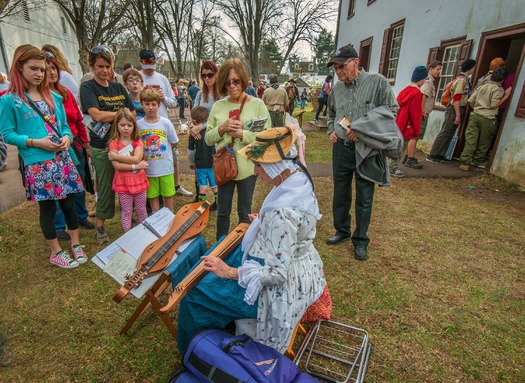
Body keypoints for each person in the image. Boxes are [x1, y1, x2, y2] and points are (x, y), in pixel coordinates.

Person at [177, 126, 326, 354]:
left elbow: (277, 275)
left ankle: (196, 353)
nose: (255, 171)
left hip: (280, 293)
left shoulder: (282, 214)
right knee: (225, 256)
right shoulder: (298, 178)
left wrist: (230, 272)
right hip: (304, 270)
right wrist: (264, 224)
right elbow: (296, 227)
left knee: (196, 296)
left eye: (259, 165)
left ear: (275, 166)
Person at [0, 44, 86, 269]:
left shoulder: (54, 97)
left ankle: (76, 244)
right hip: (37, 163)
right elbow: (7, 133)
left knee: (69, 203)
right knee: (48, 208)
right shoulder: (10, 101)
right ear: (19, 67)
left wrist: (67, 138)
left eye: (42, 69)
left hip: (62, 160)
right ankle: (55, 250)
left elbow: (64, 126)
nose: (39, 74)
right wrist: (34, 142)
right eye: (34, 69)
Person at [325, 43, 401, 261]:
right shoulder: (337, 89)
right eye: (335, 67)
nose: (338, 71)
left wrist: (364, 131)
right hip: (341, 149)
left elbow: (391, 111)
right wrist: (332, 130)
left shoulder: (377, 82)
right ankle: (342, 231)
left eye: (342, 66)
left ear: (355, 62)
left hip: (366, 149)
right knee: (340, 193)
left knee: (364, 196)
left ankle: (360, 240)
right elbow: (332, 113)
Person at [204, 58, 271, 240]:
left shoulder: (257, 105)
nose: (232, 86)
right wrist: (222, 128)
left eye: (236, 81)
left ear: (243, 79)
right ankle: (220, 248)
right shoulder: (218, 106)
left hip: (248, 168)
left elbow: (266, 137)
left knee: (244, 212)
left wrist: (243, 134)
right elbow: (208, 139)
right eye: (227, 83)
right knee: (223, 212)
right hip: (224, 167)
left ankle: (244, 248)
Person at [79, 45, 136, 243]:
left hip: (124, 144)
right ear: (92, 66)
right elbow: (96, 114)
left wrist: (116, 116)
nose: (104, 71)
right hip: (102, 145)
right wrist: (121, 115)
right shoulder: (88, 88)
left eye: (108, 66)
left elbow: (134, 113)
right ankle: (100, 226)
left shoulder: (118, 87)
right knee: (105, 187)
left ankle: (128, 219)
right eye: (100, 66)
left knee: (128, 183)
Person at [45, 52, 95, 241]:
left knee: (78, 183)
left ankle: (81, 216)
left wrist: (85, 144)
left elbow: (79, 121)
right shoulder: (38, 97)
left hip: (75, 144)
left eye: (53, 68)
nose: (51, 72)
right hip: (53, 148)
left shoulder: (65, 94)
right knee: (58, 187)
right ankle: (59, 225)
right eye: (46, 68)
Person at [139, 49, 192, 197]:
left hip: (162, 124)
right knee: (146, 157)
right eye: (146, 68)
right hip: (143, 125)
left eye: (152, 67)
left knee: (171, 156)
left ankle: (176, 185)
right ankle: (146, 191)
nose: (149, 71)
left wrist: (163, 98)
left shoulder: (162, 78)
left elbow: (174, 103)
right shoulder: (137, 77)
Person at [459, 68, 511, 171]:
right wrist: (506, 96)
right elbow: (494, 105)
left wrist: (477, 108)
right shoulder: (498, 89)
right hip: (488, 117)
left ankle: (465, 162)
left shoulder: (481, 87)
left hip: (475, 115)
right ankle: (477, 161)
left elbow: (470, 100)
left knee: (470, 139)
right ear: (502, 79)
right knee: (484, 141)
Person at [426, 58, 476, 163]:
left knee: (451, 132)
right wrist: (458, 114)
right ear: (471, 67)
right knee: (446, 130)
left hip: (458, 107)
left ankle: (441, 153)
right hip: (454, 108)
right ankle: (433, 154)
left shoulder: (464, 79)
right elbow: (456, 98)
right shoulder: (461, 80)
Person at [137, 87, 179, 212]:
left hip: (165, 168)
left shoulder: (165, 123)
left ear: (158, 105)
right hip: (149, 169)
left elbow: (174, 141)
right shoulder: (139, 125)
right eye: (147, 104)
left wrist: (163, 151)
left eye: (153, 104)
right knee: (153, 195)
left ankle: (169, 217)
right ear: (142, 104)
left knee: (168, 194)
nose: (150, 107)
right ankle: (156, 218)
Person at [107, 108, 149, 231]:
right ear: (117, 125)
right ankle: (127, 234)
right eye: (122, 125)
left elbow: (137, 158)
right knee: (126, 211)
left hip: (138, 181)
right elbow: (117, 166)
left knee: (141, 209)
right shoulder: (114, 143)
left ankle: (145, 232)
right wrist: (136, 166)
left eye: (129, 125)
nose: (126, 128)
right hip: (123, 183)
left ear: (133, 126)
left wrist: (115, 156)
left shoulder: (137, 142)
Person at [389, 65, 428, 177]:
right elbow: (415, 114)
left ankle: (387, 166)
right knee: (400, 148)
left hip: (397, 124)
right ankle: (392, 168)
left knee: (393, 147)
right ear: (421, 79)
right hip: (406, 126)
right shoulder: (416, 94)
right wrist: (416, 130)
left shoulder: (404, 91)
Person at [191, 60, 220, 199]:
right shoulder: (199, 94)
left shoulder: (221, 95)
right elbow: (193, 113)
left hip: (215, 134)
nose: (207, 78)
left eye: (210, 75)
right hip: (199, 134)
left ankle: (218, 199)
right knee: (200, 164)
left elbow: (221, 119)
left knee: (213, 167)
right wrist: (193, 128)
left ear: (216, 74)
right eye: (204, 75)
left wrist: (201, 126)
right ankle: (200, 196)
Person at [188, 106, 217, 211]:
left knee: (202, 185)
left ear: (194, 120)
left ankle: (201, 205)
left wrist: (191, 162)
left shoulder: (193, 133)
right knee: (214, 184)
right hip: (212, 162)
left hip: (200, 164)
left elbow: (191, 150)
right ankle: (217, 202)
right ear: (207, 118)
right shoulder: (211, 130)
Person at [418, 60, 443, 142]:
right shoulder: (428, 81)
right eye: (437, 69)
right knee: (416, 136)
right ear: (431, 69)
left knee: (416, 135)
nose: (439, 72)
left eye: (440, 70)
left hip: (424, 112)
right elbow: (423, 96)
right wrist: (422, 111)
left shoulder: (429, 80)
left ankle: (408, 154)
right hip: (423, 113)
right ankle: (409, 155)